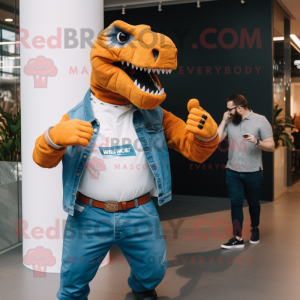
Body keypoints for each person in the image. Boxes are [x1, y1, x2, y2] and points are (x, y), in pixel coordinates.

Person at [32, 21, 219, 300]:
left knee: (153, 271)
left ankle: (141, 292)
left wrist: (207, 136)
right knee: (73, 280)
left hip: (139, 212)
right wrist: (53, 138)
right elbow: (42, 159)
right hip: (88, 216)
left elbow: (193, 149)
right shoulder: (75, 117)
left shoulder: (158, 116)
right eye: (121, 38)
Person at [217, 95, 275, 249]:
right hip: (232, 171)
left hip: (253, 172)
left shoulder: (260, 120)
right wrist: (223, 120)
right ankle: (237, 237)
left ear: (239, 108)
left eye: (230, 109)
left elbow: (271, 146)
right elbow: (216, 140)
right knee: (236, 204)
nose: (228, 112)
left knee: (254, 203)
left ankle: (254, 228)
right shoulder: (229, 121)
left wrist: (257, 141)